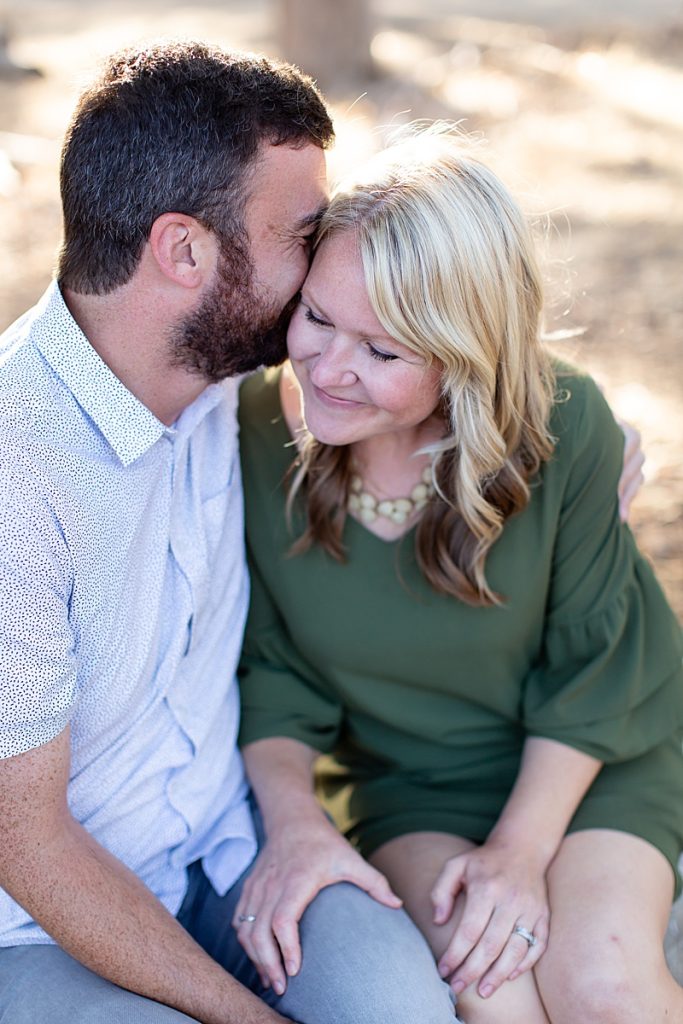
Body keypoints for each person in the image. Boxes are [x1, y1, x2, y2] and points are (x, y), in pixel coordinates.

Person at [0, 44, 464, 1024]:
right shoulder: (17, 478)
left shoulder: (226, 378)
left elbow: (420, 354)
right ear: (184, 252)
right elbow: (28, 842)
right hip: (38, 928)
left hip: (228, 846)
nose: (326, 260)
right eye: (303, 231)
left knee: (401, 1012)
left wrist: (575, 434)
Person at [236, 125, 683, 1024]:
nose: (328, 367)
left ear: (461, 357)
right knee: (492, 993)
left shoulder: (568, 425)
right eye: (318, 317)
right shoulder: (251, 430)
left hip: (589, 761)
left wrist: (520, 856)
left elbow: (596, 664)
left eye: (384, 351)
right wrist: (294, 825)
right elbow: (272, 680)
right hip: (410, 788)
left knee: (601, 985)